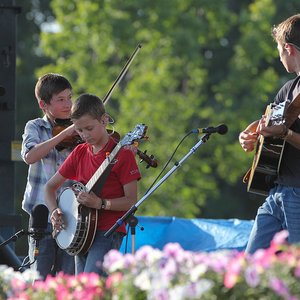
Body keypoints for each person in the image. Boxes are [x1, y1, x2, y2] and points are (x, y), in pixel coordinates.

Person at [44, 93, 141, 276]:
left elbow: (131, 201)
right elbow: (49, 187)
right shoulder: (80, 152)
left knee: (92, 283)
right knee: (84, 289)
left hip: (108, 231)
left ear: (104, 121)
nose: (84, 135)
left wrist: (102, 203)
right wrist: (53, 211)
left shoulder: (123, 155)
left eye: (89, 128)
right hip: (79, 232)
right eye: (79, 130)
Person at [239, 14, 300, 254]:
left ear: (289, 48)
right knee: (250, 265)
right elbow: (270, 122)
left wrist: (285, 133)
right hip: (277, 192)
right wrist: (252, 131)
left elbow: (282, 129)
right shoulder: (289, 88)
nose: (279, 56)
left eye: (279, 49)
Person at [21, 73, 76, 278]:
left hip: (72, 216)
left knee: (68, 279)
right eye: (61, 99)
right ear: (44, 104)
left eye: (70, 97)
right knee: (40, 277)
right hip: (43, 214)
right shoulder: (35, 126)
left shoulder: (78, 130)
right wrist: (63, 135)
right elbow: (30, 156)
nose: (68, 104)